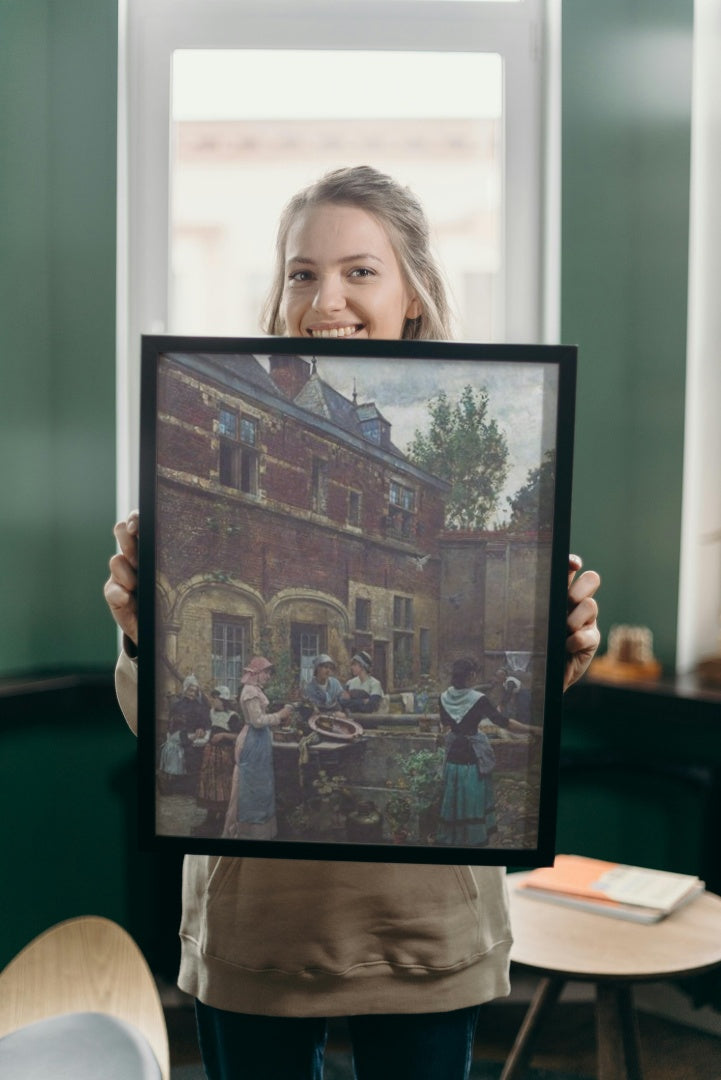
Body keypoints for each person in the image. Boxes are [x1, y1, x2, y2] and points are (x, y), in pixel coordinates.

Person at [105, 165, 601, 1080]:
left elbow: (522, 720)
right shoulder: (209, 402)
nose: (323, 298)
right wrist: (137, 635)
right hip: (257, 927)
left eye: (359, 271)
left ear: (413, 292)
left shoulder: (460, 429)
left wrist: (557, 654)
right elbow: (158, 726)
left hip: (424, 927)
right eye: (301, 272)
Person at [437, 657, 539, 847]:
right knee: (472, 799)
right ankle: (474, 839)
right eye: (474, 673)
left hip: (453, 756)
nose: (476, 677)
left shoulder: (443, 697)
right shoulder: (479, 699)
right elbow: (504, 722)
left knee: (454, 797)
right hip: (471, 757)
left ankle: (456, 838)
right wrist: (533, 729)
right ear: (470, 676)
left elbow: (445, 727)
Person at [223, 658, 293, 841]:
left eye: (270, 673)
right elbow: (257, 721)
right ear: (256, 673)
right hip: (252, 742)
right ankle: (248, 833)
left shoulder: (256, 691)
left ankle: (261, 833)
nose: (269, 677)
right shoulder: (250, 692)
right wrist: (280, 715)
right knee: (251, 786)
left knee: (262, 786)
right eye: (267, 672)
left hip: (260, 741)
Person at [192, 687, 242, 837]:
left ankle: (221, 820)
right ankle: (210, 818)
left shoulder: (233, 716)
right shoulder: (211, 713)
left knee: (222, 785)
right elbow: (204, 726)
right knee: (208, 784)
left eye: (215, 698)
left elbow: (238, 735)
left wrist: (223, 735)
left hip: (224, 756)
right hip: (210, 753)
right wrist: (200, 729)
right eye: (212, 698)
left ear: (223, 700)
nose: (213, 700)